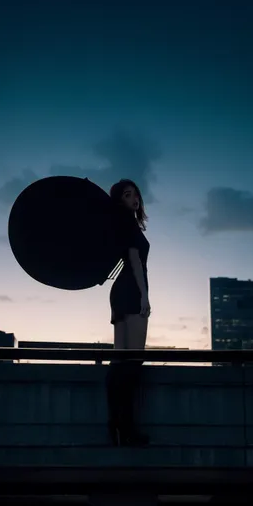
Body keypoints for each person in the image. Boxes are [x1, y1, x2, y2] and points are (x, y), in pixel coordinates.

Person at [106, 179, 151, 446]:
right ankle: (128, 428)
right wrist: (145, 295)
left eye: (135, 193)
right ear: (119, 200)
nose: (133, 198)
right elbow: (135, 260)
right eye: (127, 194)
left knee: (120, 362)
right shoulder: (129, 224)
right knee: (133, 362)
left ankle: (116, 423)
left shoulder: (122, 223)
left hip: (119, 291)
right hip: (131, 290)